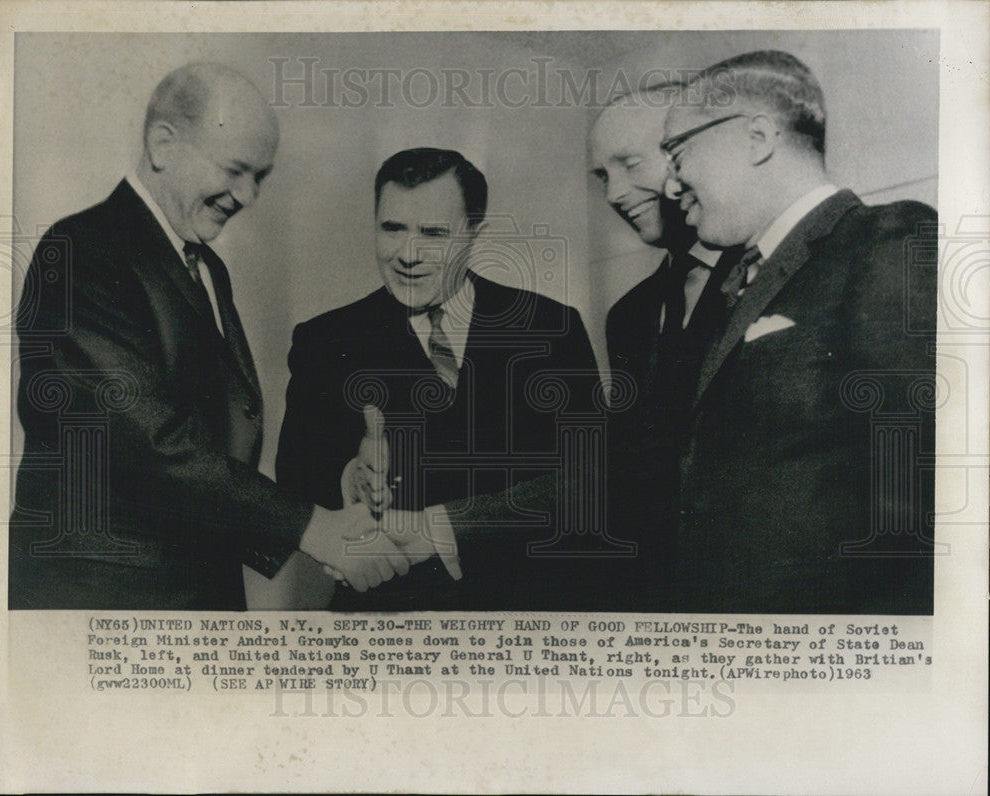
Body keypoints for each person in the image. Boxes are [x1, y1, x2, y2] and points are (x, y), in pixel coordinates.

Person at [10, 63, 409, 610]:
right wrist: (315, 528)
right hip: (105, 604)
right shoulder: (80, 251)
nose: (247, 195)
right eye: (235, 169)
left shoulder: (203, 265)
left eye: (260, 177)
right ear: (163, 144)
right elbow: (150, 445)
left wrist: (336, 494)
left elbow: (214, 434)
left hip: (183, 600)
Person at [660, 50, 937, 613]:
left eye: (678, 153)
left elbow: (928, 488)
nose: (670, 185)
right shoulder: (731, 283)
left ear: (757, 137)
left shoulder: (888, 240)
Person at [276, 147, 602, 610]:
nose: (408, 255)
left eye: (433, 233)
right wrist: (350, 477)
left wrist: (449, 525)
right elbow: (296, 476)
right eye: (392, 228)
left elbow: (589, 482)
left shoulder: (552, 327)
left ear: (475, 235)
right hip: (382, 625)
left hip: (524, 622)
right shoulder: (325, 338)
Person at [588, 89, 745, 608]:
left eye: (630, 164)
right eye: (601, 177)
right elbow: (627, 470)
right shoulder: (628, 316)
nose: (614, 194)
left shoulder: (772, 273)